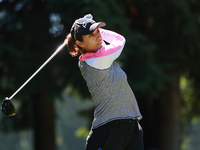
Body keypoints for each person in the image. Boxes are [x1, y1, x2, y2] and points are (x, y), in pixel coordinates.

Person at [65, 14, 144, 150]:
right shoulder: (95, 59)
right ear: (79, 43)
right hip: (107, 132)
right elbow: (119, 40)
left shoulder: (99, 54)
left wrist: (92, 28)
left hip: (131, 127)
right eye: (91, 35)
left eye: (98, 32)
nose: (98, 37)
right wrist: (100, 31)